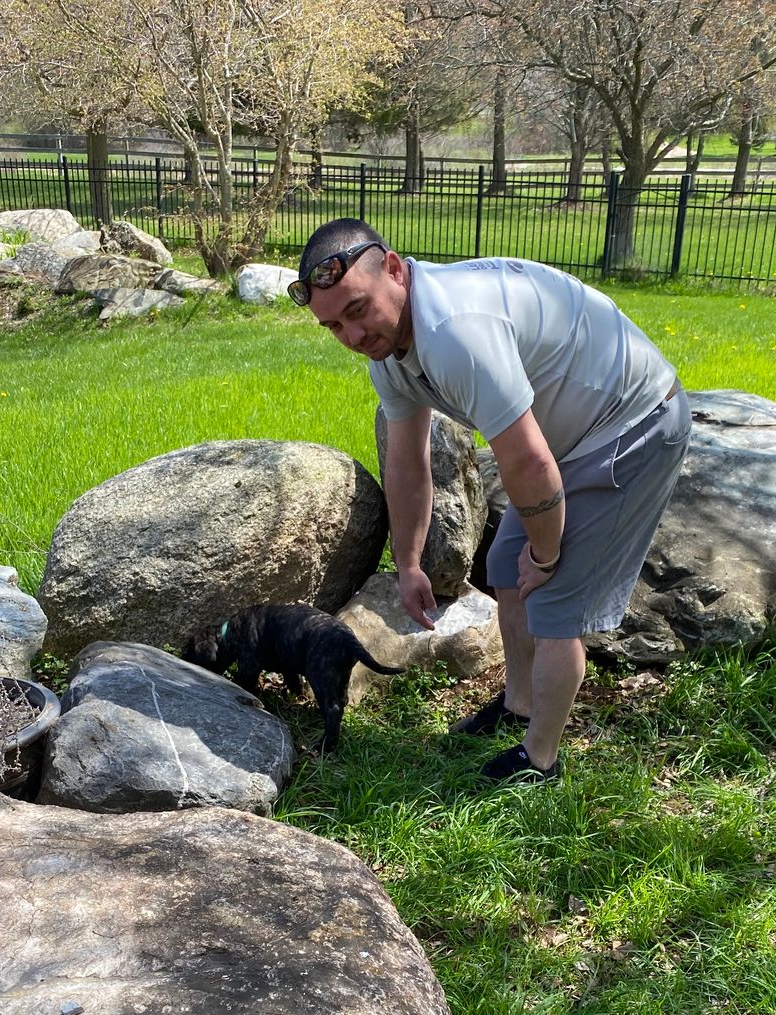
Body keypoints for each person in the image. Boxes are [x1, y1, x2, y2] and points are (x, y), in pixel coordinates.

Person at [289, 219, 691, 784]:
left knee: (552, 599)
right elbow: (406, 463)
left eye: (357, 310)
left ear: (395, 270)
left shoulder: (455, 333)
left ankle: (540, 759)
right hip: (569, 436)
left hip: (633, 422)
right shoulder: (390, 351)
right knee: (505, 565)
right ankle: (519, 706)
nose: (353, 336)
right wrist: (408, 561)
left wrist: (546, 556)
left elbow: (528, 464)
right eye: (333, 326)